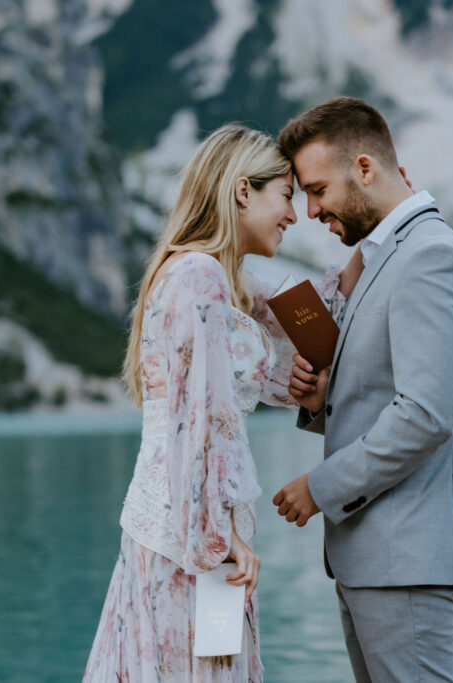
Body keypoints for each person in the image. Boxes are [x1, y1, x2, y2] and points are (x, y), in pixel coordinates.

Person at [82, 125, 362, 682]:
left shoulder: (221, 279)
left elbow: (313, 310)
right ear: (241, 192)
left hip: (181, 525)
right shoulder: (199, 277)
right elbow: (198, 423)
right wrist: (219, 540)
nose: (294, 214)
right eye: (285, 195)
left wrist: (376, 228)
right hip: (189, 533)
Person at [271, 97, 453, 683]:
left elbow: (424, 414)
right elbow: (387, 393)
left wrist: (319, 487)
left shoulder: (430, 257)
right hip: (376, 558)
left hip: (406, 559)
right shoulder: (388, 256)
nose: (312, 209)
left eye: (317, 190)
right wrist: (323, 403)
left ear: (364, 169)